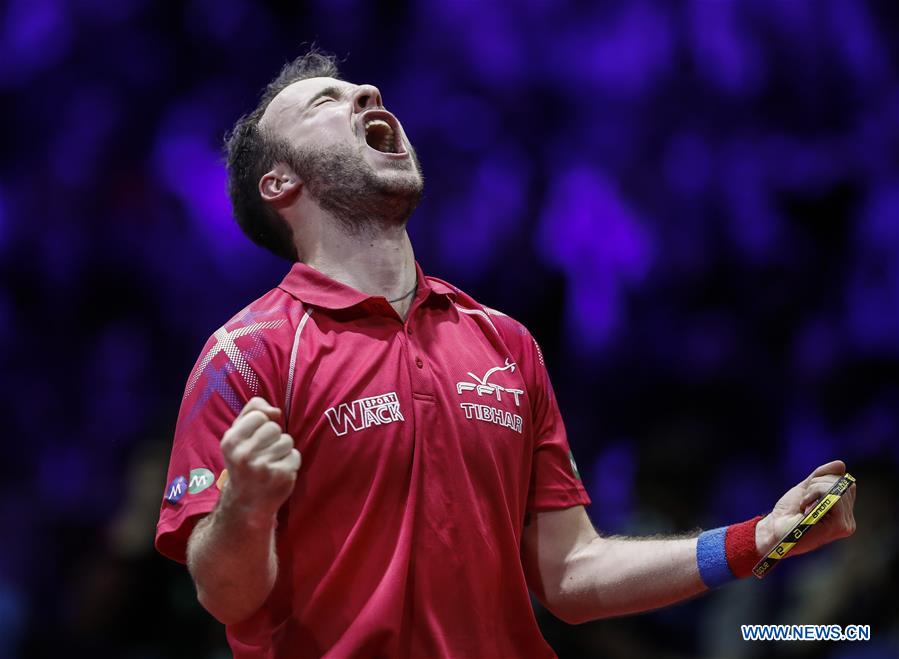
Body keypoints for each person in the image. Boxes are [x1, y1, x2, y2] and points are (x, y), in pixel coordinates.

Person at [155, 50, 857, 659]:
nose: (367, 95)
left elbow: (571, 574)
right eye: (326, 101)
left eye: (364, 91)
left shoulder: (502, 342)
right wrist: (244, 507)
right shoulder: (249, 355)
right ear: (280, 184)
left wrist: (755, 536)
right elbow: (224, 594)